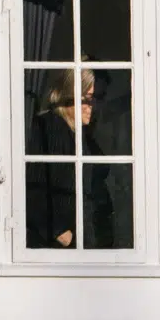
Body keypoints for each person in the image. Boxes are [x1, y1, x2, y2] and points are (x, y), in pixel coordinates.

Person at [26, 68, 115, 249]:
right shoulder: (50, 128)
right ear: (68, 93)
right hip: (61, 251)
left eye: (100, 98)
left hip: (87, 243)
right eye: (89, 99)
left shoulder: (80, 133)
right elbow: (30, 187)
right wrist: (59, 232)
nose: (94, 106)